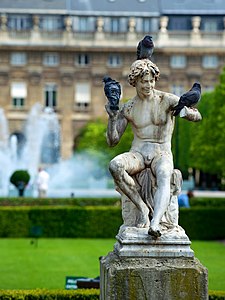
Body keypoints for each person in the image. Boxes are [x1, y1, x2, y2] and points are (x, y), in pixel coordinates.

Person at [105, 59, 201, 238]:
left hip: (161, 152)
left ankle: (156, 222)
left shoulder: (166, 100)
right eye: (144, 81)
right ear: (135, 82)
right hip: (138, 153)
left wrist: (185, 113)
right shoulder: (129, 107)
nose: (148, 85)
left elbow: (197, 116)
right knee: (115, 166)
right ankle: (142, 208)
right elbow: (112, 141)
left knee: (165, 173)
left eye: (151, 81)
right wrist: (112, 118)